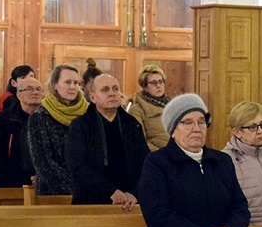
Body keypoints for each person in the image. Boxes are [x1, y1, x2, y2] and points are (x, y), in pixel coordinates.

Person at [138, 93, 250, 227]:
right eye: (187, 122)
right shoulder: (157, 162)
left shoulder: (222, 161)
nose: (196, 128)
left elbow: (239, 206)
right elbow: (157, 214)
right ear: (173, 130)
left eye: (201, 122)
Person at [65, 74, 149, 209]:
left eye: (115, 89)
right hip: (91, 203)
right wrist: (111, 191)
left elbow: (145, 164)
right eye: (105, 90)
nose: (112, 93)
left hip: (130, 203)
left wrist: (134, 193)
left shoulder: (132, 124)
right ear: (92, 97)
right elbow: (78, 167)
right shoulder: (80, 126)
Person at [28, 63, 89, 195]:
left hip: (89, 189)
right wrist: (72, 188)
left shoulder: (89, 113)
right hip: (54, 191)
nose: (72, 87)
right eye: (67, 82)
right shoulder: (40, 116)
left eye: (75, 82)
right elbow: (43, 161)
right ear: (55, 85)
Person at [0, 77, 43, 187]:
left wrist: (43, 177)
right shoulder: (4, 120)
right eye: (29, 89)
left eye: (39, 89)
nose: (35, 93)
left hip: (45, 185)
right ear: (19, 94)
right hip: (12, 184)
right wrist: (25, 179)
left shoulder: (48, 119)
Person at [129, 64, 171, 151]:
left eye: (161, 82)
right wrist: (162, 156)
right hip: (157, 158)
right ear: (144, 87)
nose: (158, 85)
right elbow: (139, 141)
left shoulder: (173, 106)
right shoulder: (137, 111)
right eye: (153, 83)